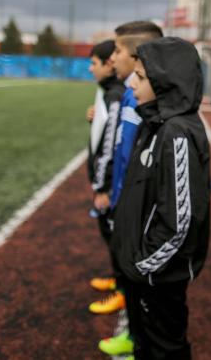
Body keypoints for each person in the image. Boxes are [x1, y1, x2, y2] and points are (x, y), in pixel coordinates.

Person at [109, 37, 210, 360]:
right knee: (144, 343)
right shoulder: (154, 122)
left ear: (164, 81)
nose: (131, 82)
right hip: (144, 271)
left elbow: (181, 221)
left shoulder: (176, 132)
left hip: (158, 275)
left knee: (165, 346)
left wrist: (143, 266)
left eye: (140, 76)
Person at [91, 21, 163, 351]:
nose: (112, 57)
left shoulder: (146, 101)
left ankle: (140, 340)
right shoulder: (129, 94)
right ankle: (134, 336)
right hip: (122, 201)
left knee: (143, 284)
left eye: (117, 51)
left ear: (136, 56)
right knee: (130, 279)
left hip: (135, 209)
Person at [85, 40, 125, 293]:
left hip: (110, 186)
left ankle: (123, 289)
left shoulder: (115, 95)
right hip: (109, 183)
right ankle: (118, 279)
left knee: (116, 236)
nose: (91, 68)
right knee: (112, 236)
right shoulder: (108, 92)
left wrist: (102, 188)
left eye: (94, 63)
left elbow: (110, 147)